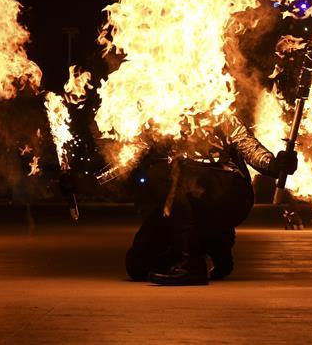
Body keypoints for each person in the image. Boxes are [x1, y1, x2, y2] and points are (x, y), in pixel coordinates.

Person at [125, 115, 297, 286]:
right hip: (184, 201)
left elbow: (249, 147)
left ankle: (191, 263)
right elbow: (138, 149)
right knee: (138, 266)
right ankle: (215, 243)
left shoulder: (220, 112)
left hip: (225, 192)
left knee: (162, 173)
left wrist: (274, 164)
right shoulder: (162, 114)